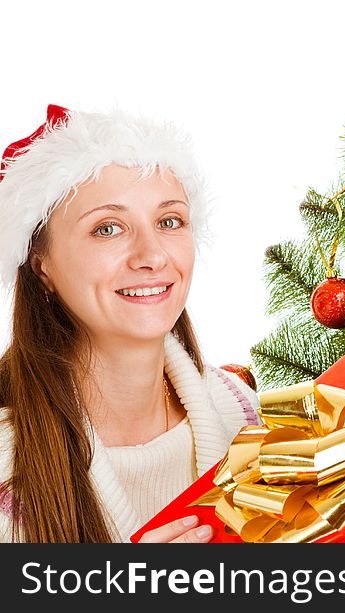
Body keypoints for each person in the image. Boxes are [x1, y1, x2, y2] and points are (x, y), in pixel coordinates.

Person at [0, 105, 260, 543]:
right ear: (40, 264)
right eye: (107, 228)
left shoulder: (241, 411)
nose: (152, 256)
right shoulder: (9, 469)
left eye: (169, 221)